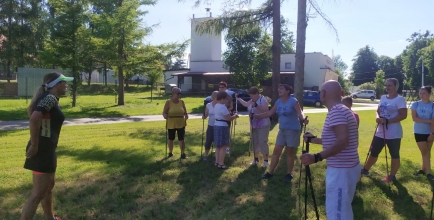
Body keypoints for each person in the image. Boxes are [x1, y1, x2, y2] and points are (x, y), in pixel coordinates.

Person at [300, 80, 360, 220]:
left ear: (324, 93)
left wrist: (316, 157)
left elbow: (343, 142)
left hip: (341, 172)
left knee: (337, 214)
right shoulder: (343, 110)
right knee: (343, 209)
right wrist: (313, 139)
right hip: (348, 168)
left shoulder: (336, 112)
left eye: (321, 91)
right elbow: (339, 139)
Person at [21, 72, 74, 220]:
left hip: (48, 149)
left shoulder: (52, 99)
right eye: (64, 82)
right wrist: (35, 144)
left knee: (48, 187)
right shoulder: (49, 98)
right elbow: (34, 118)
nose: (66, 85)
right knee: (37, 193)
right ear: (56, 84)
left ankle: (49, 218)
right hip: (42, 150)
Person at [254, 84, 307, 182]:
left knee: (290, 153)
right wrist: (256, 116)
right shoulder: (278, 102)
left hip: (292, 130)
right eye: (278, 88)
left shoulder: (293, 101)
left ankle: (289, 174)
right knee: (276, 151)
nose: (279, 90)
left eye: (281, 88)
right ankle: (270, 173)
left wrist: (303, 119)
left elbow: (300, 113)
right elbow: (269, 113)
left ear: (288, 91)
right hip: (282, 130)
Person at [361, 78, 407, 182]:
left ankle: (392, 176)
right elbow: (378, 110)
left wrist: (387, 121)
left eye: (390, 85)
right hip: (380, 131)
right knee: (374, 151)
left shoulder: (399, 99)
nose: (387, 87)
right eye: (386, 85)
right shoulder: (382, 97)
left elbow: (403, 115)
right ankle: (365, 169)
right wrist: (377, 117)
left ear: (396, 86)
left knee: (394, 154)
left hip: (394, 133)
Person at [237, 87, 270, 167]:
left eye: (252, 96)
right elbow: (246, 104)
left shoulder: (263, 100)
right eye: (250, 96)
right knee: (255, 142)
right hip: (254, 125)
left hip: (263, 125)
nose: (251, 98)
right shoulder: (252, 100)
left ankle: (266, 161)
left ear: (257, 94)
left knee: (262, 142)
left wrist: (256, 106)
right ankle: (256, 159)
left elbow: (266, 111)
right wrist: (238, 98)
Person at [411, 86, 434, 180]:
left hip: (430, 132)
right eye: (420, 93)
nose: (421, 95)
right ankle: (429, 173)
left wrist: (432, 134)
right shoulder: (415, 104)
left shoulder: (433, 105)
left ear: (429, 94)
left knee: (427, 152)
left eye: (424, 93)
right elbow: (414, 118)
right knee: (424, 152)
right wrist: (428, 121)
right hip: (419, 131)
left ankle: (423, 169)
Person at [214, 91, 239, 169]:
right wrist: (235, 115)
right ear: (222, 98)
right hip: (223, 126)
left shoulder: (216, 105)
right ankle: (221, 163)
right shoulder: (222, 106)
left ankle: (217, 162)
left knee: (218, 146)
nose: (226, 100)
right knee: (224, 146)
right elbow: (229, 118)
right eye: (225, 99)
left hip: (216, 125)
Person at [163, 87, 189, 159]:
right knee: (171, 138)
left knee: (181, 138)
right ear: (173, 93)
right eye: (178, 93)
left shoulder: (182, 102)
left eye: (180, 93)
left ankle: (183, 153)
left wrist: (186, 115)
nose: (179, 95)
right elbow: (164, 112)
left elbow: (185, 111)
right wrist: (165, 116)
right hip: (171, 122)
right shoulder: (168, 102)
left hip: (181, 122)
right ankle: (170, 152)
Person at [217, 81, 233, 155]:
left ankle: (227, 148)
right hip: (218, 118)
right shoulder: (216, 95)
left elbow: (231, 107)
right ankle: (219, 148)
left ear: (225, 88)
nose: (221, 88)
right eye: (219, 87)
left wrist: (225, 111)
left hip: (226, 116)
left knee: (226, 133)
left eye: (222, 87)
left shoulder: (229, 97)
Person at [202, 91, 219, 161]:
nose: (217, 99)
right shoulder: (208, 105)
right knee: (209, 140)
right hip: (211, 125)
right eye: (216, 97)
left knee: (217, 141)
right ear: (213, 98)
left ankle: (217, 156)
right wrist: (204, 116)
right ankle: (206, 155)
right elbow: (206, 115)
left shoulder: (220, 105)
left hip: (218, 125)